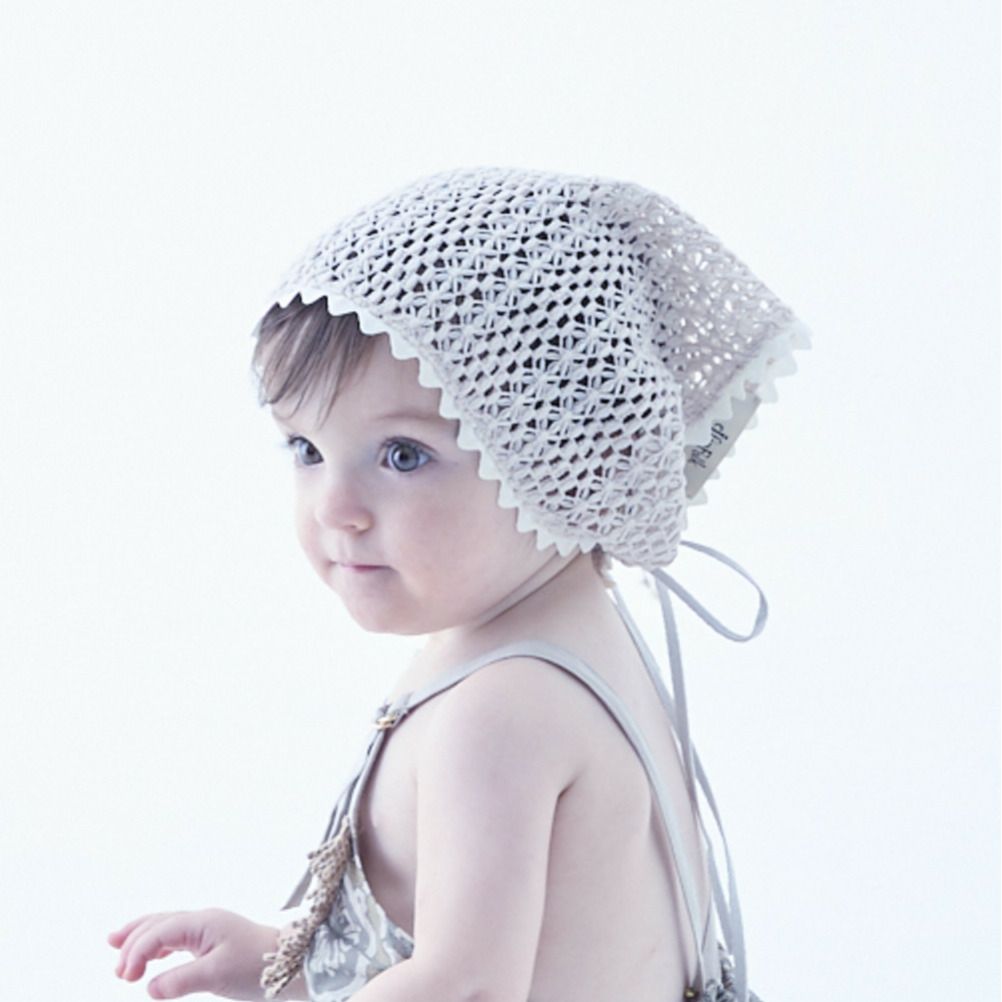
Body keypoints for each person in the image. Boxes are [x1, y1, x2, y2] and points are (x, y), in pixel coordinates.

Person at [108, 167, 810, 1002]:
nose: (336, 508)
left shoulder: (498, 710)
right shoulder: (565, 635)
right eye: (306, 449)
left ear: (562, 456)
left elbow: (463, 987)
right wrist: (279, 962)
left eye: (403, 456)